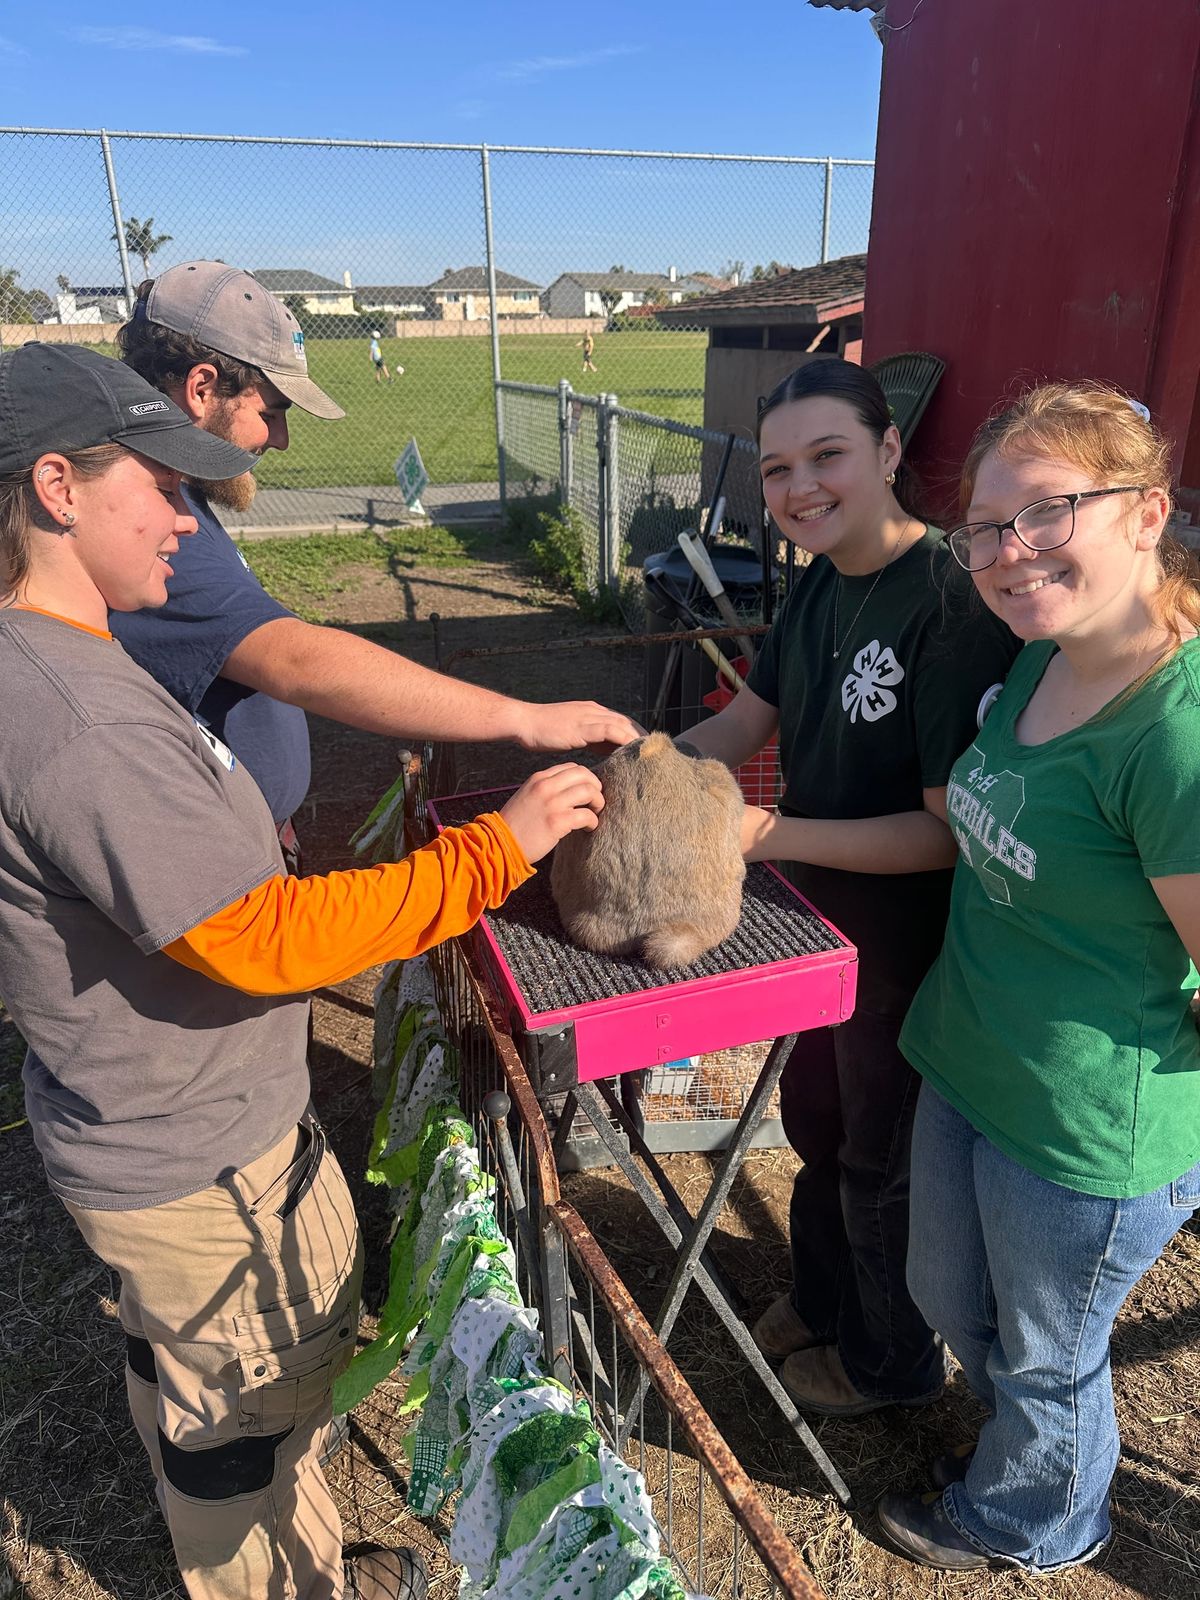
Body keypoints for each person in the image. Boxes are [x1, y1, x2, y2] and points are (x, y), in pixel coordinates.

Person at [0, 342, 605, 1600]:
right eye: (160, 487)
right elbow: (265, 938)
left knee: (221, 1385)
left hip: (172, 1126)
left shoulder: (66, 651)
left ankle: (290, 1536)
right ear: (57, 487)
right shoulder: (78, 716)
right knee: (238, 1421)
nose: (188, 518)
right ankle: (278, 1579)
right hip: (193, 1163)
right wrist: (500, 849)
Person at [876, 384, 1200, 1573]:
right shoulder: (1037, 665)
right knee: (945, 1291)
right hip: (971, 1056)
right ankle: (1029, 1438)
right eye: (986, 528)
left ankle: (1041, 1513)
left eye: (1047, 514)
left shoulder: (1176, 731)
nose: (1006, 554)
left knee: (1047, 1344)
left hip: (1081, 1121)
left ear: (1145, 513)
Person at [680, 358, 1020, 1416]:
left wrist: (769, 828)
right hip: (813, 918)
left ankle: (892, 1362)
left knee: (881, 1152)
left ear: (886, 453)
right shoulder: (823, 578)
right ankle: (826, 1299)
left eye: (827, 456)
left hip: (904, 942)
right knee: (816, 1119)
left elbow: (947, 832)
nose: (798, 488)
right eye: (778, 467)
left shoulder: (948, 605)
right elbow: (743, 724)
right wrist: (641, 764)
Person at [112, 262, 637, 865]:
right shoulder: (141, 524)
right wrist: (523, 718)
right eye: (274, 411)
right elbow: (296, 659)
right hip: (208, 864)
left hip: (247, 840)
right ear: (202, 389)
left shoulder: (181, 496)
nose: (280, 440)